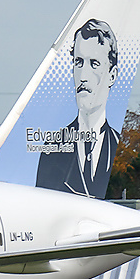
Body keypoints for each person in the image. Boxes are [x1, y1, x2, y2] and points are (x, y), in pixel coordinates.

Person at [36, 17, 120, 196]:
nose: (83, 76)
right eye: (78, 63)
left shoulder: (118, 145)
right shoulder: (52, 148)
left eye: (94, 64)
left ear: (112, 75)